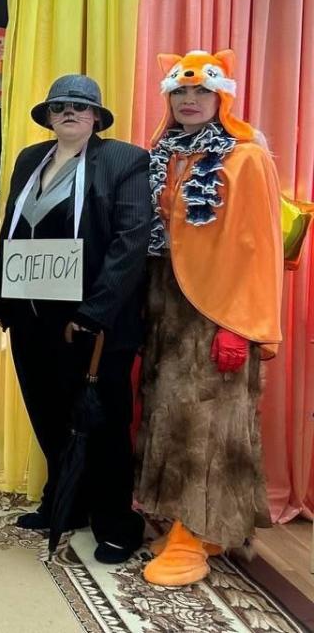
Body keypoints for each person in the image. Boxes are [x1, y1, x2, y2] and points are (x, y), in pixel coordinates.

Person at [0, 74, 149, 565]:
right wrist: (0, 300)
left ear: (96, 117)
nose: (70, 113)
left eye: (80, 106)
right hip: (31, 315)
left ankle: (116, 522)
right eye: (60, 106)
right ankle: (66, 501)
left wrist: (93, 312)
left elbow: (130, 243)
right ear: (49, 116)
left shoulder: (123, 160)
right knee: (49, 413)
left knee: (103, 422)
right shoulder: (29, 160)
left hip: (92, 321)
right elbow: (10, 229)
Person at [136, 50, 283, 587]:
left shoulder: (246, 158)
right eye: (180, 91)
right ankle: (192, 524)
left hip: (218, 310)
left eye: (201, 91)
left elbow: (259, 247)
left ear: (222, 97)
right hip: (167, 303)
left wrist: (242, 324)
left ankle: (193, 535)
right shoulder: (162, 153)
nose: (190, 100)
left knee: (206, 424)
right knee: (169, 415)